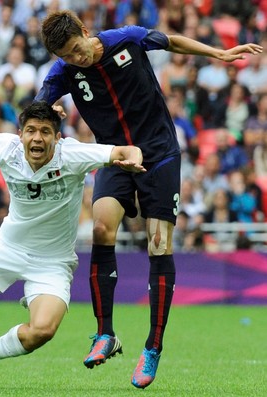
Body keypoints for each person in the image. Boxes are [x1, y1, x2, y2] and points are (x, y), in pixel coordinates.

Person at [35, 9, 263, 389]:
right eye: (68, 56)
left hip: (159, 154)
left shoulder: (127, 38)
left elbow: (171, 41)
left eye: (78, 49)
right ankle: (105, 334)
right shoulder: (63, 71)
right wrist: (51, 113)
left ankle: (152, 347)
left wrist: (218, 54)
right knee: (103, 227)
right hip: (116, 156)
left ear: (85, 32)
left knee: (159, 244)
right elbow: (39, 107)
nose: (77, 59)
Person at [0, 100, 145, 389]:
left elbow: (123, 150)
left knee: (42, 331)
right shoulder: (5, 148)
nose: (37, 138)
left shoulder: (71, 155)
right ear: (21, 134)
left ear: (57, 137)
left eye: (46, 132)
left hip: (51, 263)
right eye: (31, 131)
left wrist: (133, 157)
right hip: (6, 250)